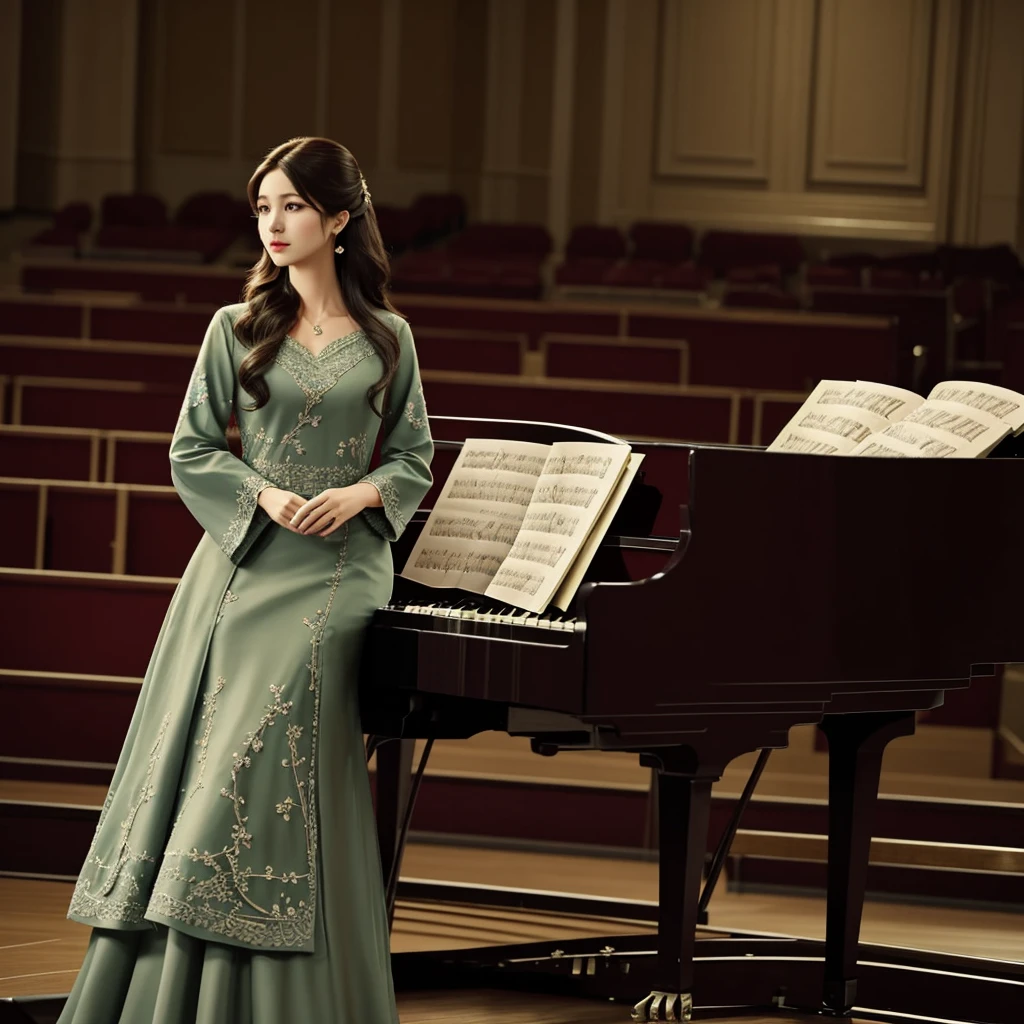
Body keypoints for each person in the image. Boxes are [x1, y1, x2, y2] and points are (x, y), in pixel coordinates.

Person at [58, 137, 433, 1023]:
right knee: (216, 759)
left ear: (340, 220)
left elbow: (414, 456)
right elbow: (191, 448)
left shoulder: (389, 339)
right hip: (241, 565)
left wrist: (359, 493)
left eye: (294, 206)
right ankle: (183, 990)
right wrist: (261, 493)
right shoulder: (235, 328)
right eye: (264, 206)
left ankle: (278, 987)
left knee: (269, 744)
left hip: (341, 571)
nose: (274, 223)